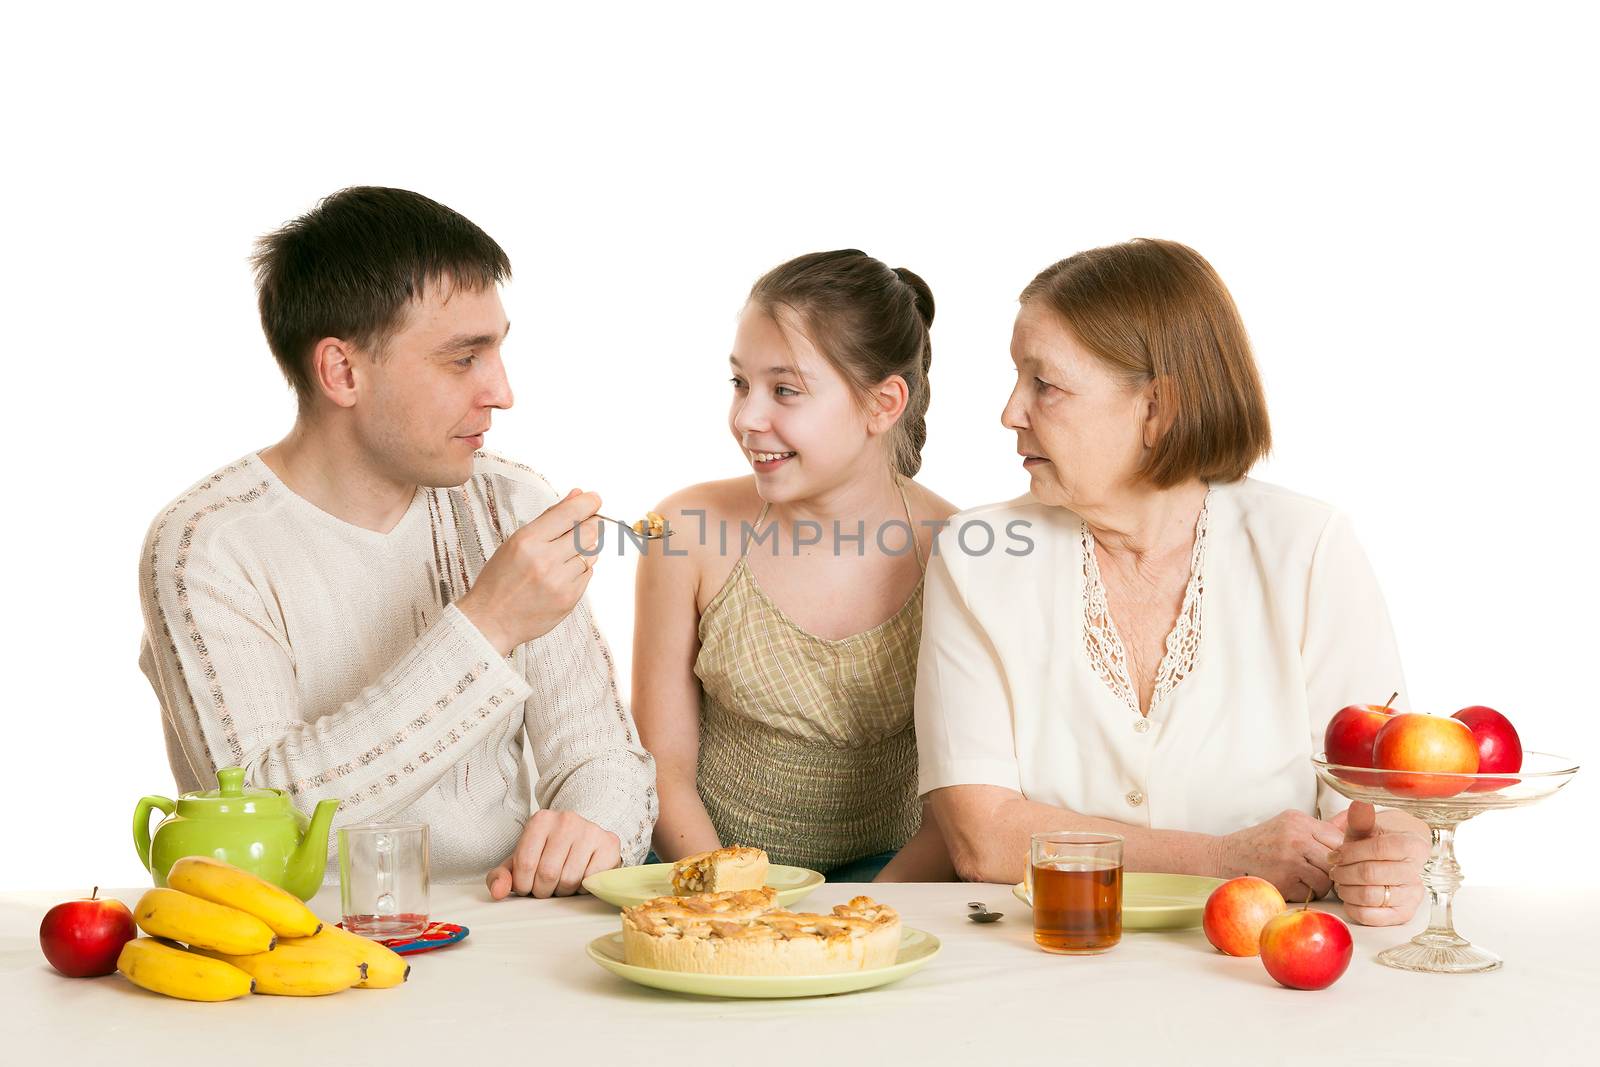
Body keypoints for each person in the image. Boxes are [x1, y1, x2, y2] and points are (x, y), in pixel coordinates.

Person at [137, 186, 656, 898]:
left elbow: (607, 759)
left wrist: (595, 827)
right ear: (343, 372)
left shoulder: (511, 504)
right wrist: (489, 623)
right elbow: (266, 810)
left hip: (508, 933)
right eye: (462, 359)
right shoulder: (206, 545)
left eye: (497, 350)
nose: (502, 391)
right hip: (298, 951)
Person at [915, 238, 1427, 925]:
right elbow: (984, 837)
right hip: (1047, 959)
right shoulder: (975, 557)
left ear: (1157, 408)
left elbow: (1381, 805)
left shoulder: (1307, 548)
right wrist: (1221, 858)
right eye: (1017, 378)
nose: (1011, 411)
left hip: (1264, 971)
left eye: (1046, 384)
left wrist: (1388, 862)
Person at [633, 250, 958, 882]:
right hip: (702, 868)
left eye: (785, 390)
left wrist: (864, 916)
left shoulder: (958, 551)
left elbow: (962, 803)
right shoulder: (685, 531)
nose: (747, 418)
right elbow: (662, 768)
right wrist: (736, 896)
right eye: (739, 384)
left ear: (884, 403)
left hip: (899, 879)